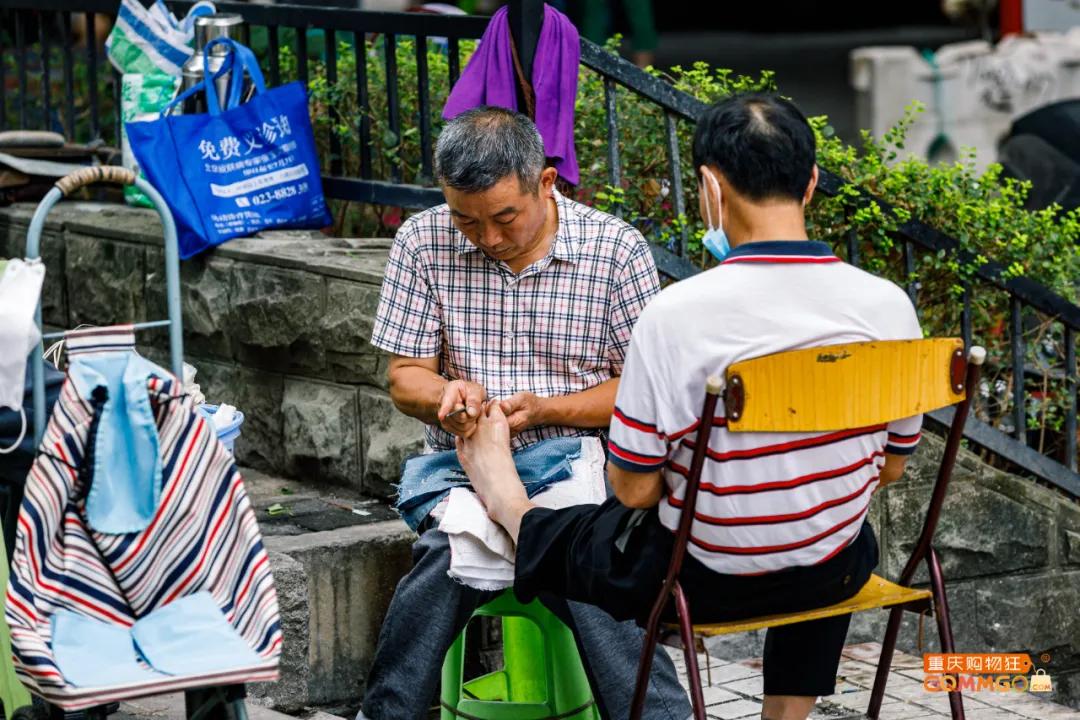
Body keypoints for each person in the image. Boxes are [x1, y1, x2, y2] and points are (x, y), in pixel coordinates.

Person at [455, 93, 925, 720]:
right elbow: (890, 470)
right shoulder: (889, 306)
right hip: (834, 568)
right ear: (810, 182)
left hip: (702, 585)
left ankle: (507, 502)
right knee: (824, 522)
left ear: (708, 185)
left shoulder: (679, 317)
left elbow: (633, 490)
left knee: (584, 533)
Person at [359, 106, 691, 720]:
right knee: (442, 563)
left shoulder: (614, 250)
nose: (486, 237)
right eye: (467, 220)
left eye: (504, 218)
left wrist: (545, 409)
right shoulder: (421, 239)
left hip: (584, 469)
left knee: (595, 576)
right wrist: (447, 397)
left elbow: (646, 392)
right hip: (461, 469)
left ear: (545, 182)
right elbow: (405, 377)